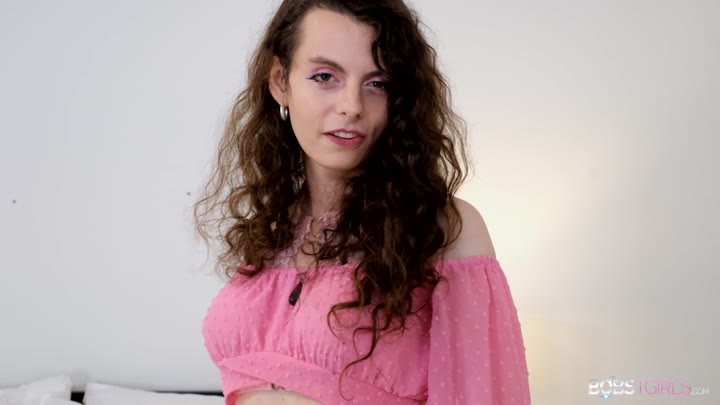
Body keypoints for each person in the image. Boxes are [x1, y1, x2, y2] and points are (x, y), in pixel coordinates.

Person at [196, 1, 531, 404]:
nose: (352, 106)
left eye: (377, 84)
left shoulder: (444, 228)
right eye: (325, 77)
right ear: (280, 81)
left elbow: (483, 395)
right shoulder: (271, 230)